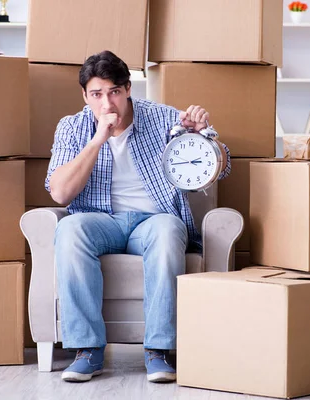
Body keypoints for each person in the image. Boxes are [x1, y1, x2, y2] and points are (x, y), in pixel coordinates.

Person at [45, 50, 231, 383]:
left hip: (152, 220)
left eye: (114, 92)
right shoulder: (73, 127)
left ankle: (158, 351)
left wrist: (203, 135)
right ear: (85, 95)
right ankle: (88, 351)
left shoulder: (163, 119)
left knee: (168, 230)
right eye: (97, 95)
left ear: (128, 89)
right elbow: (59, 193)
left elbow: (222, 168)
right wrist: (99, 138)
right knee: (69, 229)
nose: (107, 104)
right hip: (99, 220)